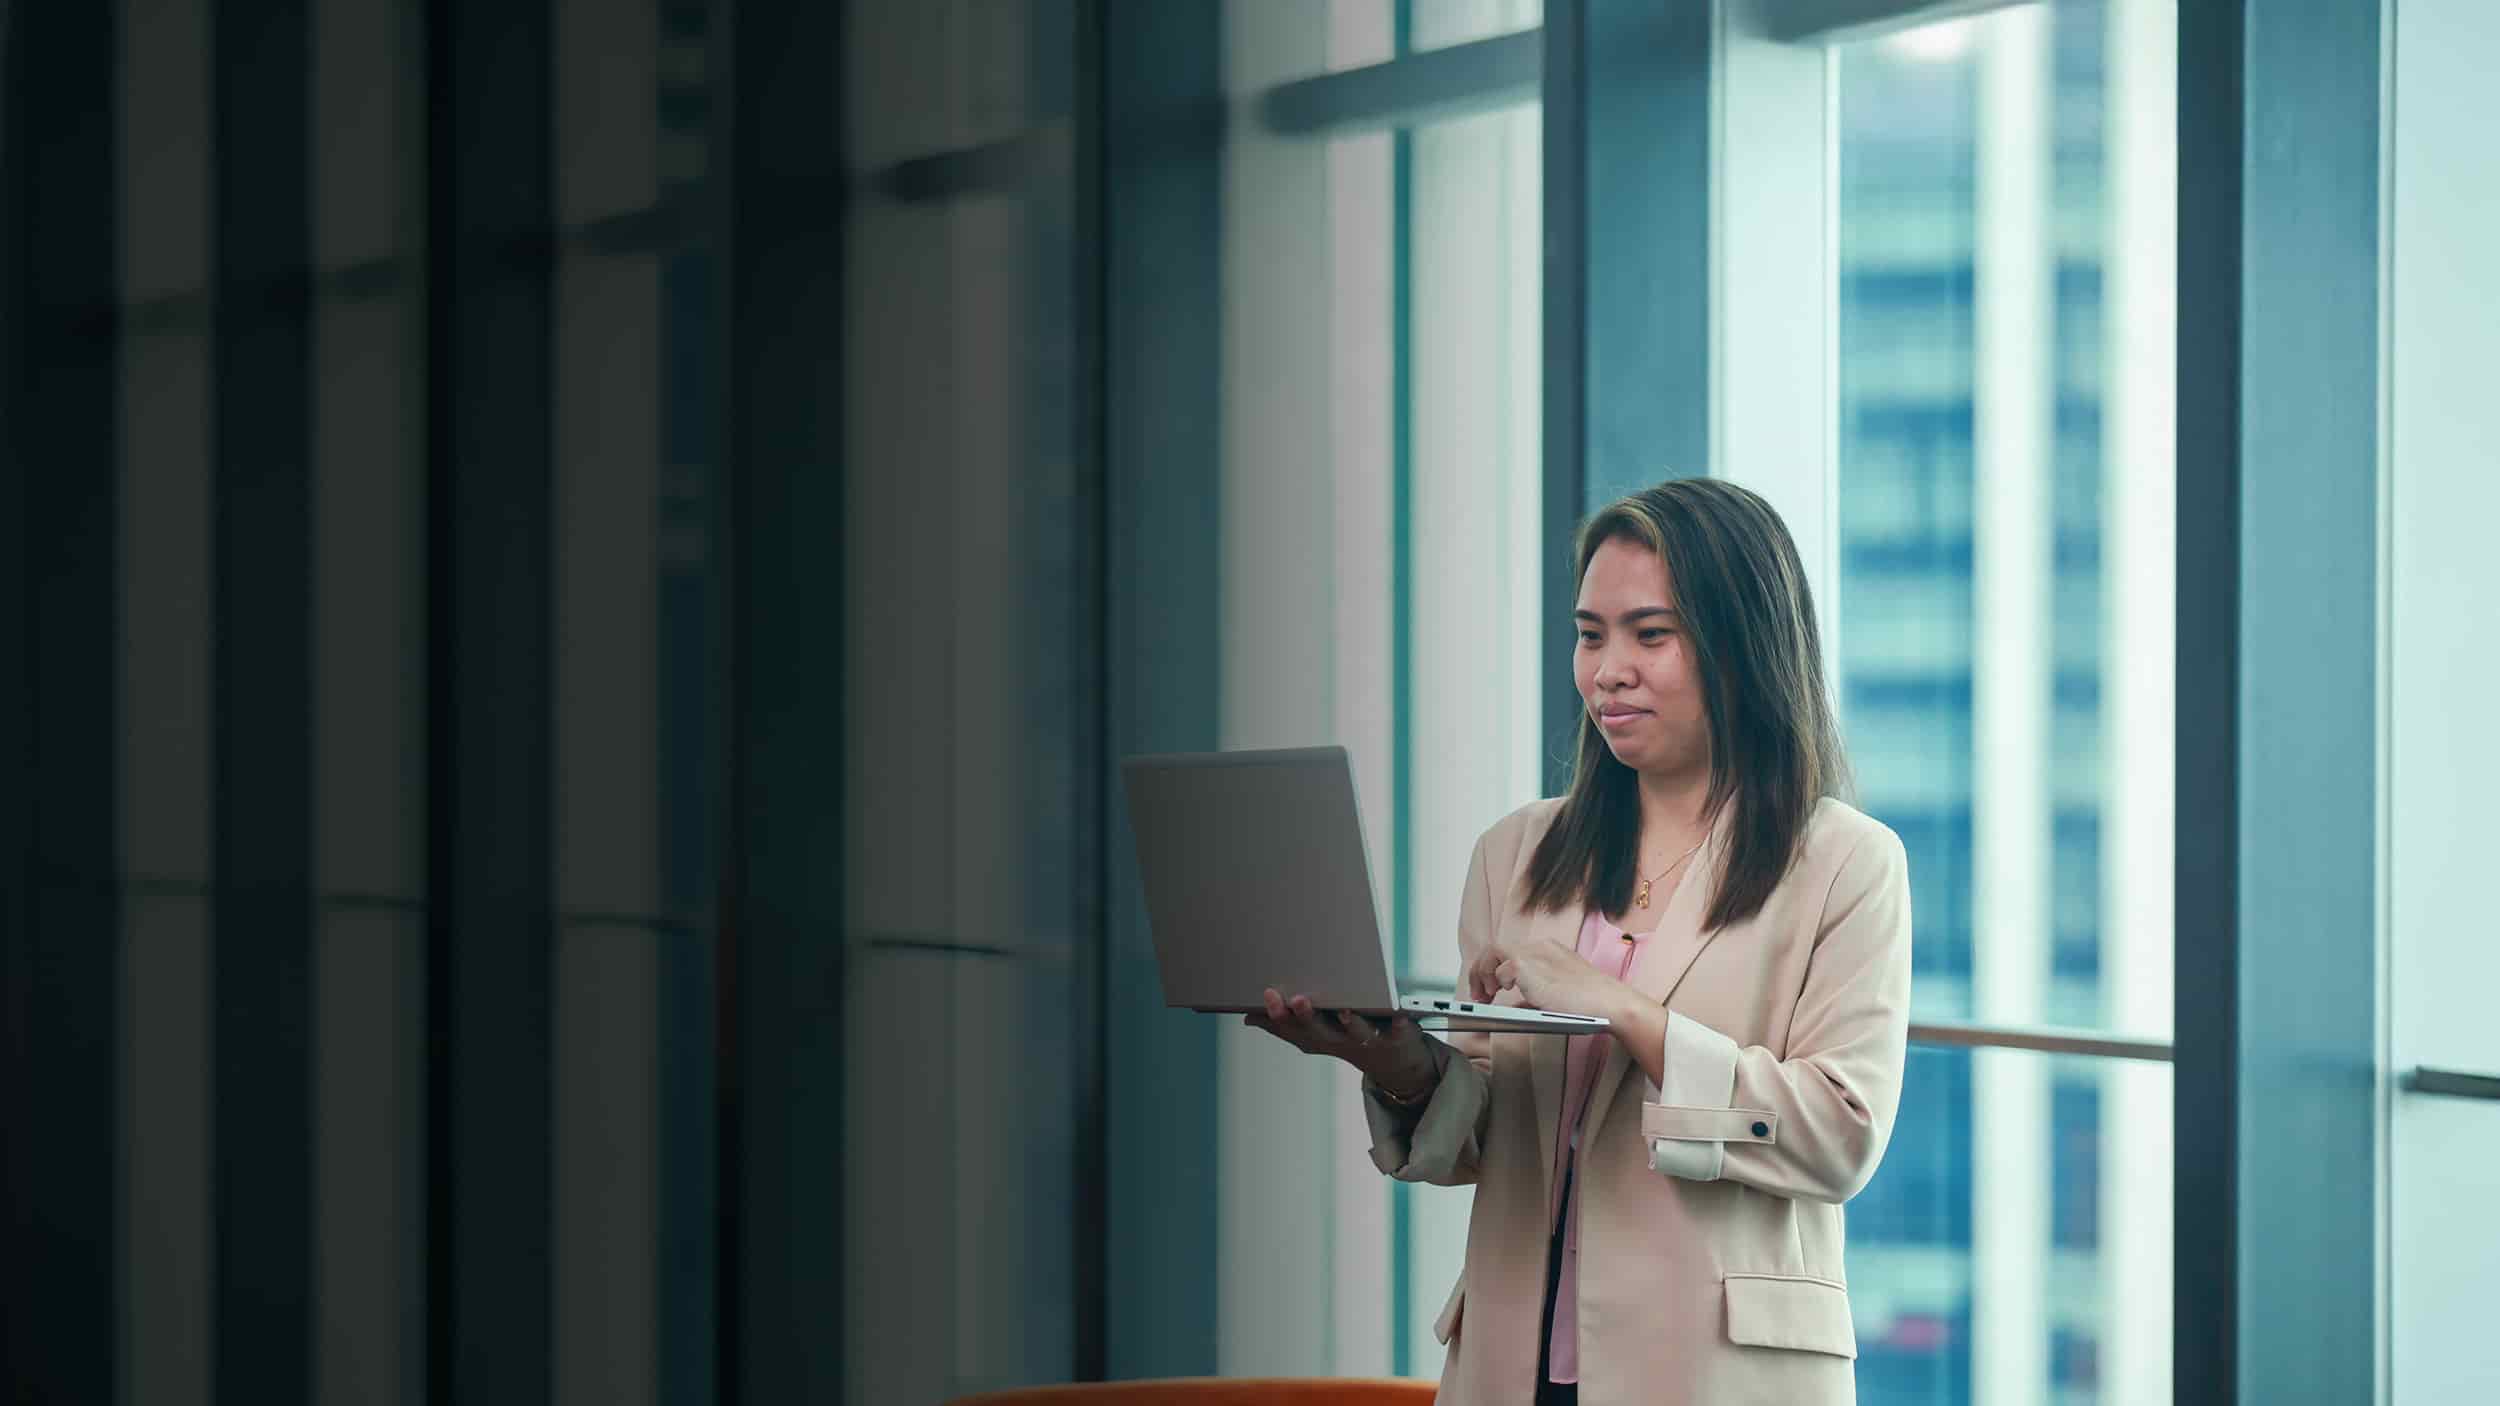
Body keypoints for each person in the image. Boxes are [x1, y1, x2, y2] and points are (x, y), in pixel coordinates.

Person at [1249, 479, 1911, 1405]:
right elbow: (1484, 1139)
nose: (1607, 670)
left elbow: (1839, 1137)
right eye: (1590, 634)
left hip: (1715, 1373)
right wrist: (1400, 1063)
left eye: (1651, 635)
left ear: (1743, 646)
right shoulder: (1516, 855)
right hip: (1517, 1364)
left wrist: (1626, 1013)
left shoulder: (1844, 863)